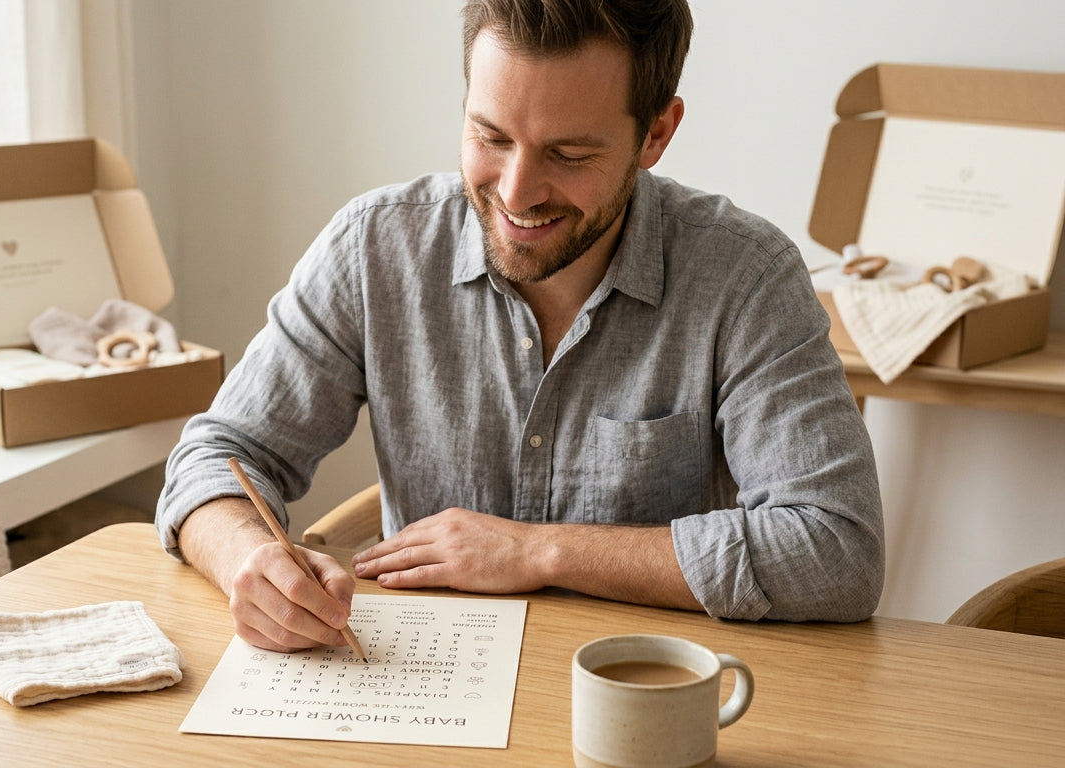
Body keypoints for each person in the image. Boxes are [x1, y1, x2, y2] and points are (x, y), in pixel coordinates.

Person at [156, 0, 884, 653]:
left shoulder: (745, 277)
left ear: (656, 133)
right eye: (491, 136)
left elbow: (836, 551)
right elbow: (219, 455)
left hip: (645, 700)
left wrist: (540, 552)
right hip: (424, 695)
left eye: (569, 154)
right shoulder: (375, 248)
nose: (516, 192)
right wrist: (247, 559)